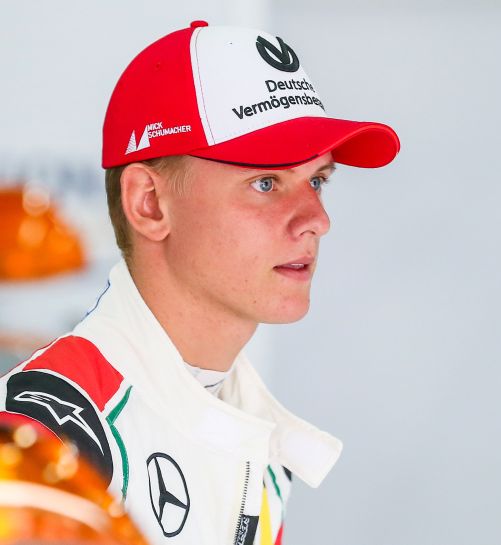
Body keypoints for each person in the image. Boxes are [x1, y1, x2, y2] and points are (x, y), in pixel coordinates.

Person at [0, 20, 399, 545]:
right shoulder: (47, 441)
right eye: (266, 182)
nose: (316, 219)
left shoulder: (259, 445)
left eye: (317, 180)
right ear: (149, 203)